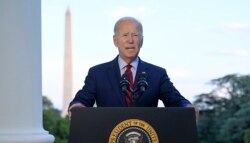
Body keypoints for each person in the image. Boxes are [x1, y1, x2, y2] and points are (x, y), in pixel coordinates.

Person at [68, 16, 199, 120]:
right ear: (115, 40)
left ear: (141, 40)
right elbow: (83, 98)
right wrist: (77, 105)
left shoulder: (157, 74)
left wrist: (186, 106)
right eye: (125, 35)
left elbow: (175, 100)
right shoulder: (97, 73)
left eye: (135, 35)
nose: (130, 40)